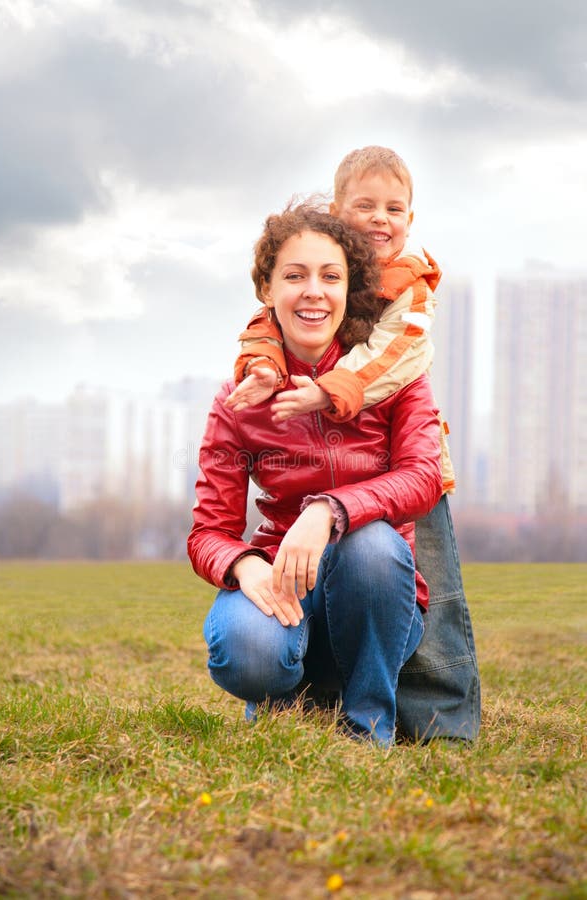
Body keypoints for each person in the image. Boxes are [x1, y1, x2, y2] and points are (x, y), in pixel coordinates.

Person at [225, 146, 481, 741]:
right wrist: (260, 367)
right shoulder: (322, 266)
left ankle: (440, 722)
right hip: (325, 456)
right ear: (339, 212)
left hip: (404, 457)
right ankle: (302, 697)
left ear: (411, 220)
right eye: (364, 205)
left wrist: (322, 392)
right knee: (331, 577)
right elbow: (264, 323)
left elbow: (401, 357)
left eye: (394, 208)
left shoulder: (410, 283)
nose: (380, 219)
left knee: (427, 591)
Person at [188, 203, 443, 749]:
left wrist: (328, 510)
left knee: (371, 545)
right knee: (247, 649)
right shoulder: (238, 399)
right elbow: (208, 532)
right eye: (294, 276)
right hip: (283, 579)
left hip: (378, 589)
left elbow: (423, 477)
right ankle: (284, 707)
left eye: (331, 277)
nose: (314, 292)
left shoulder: (394, 375)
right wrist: (243, 566)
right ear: (266, 288)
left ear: (350, 290)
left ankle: (368, 724)